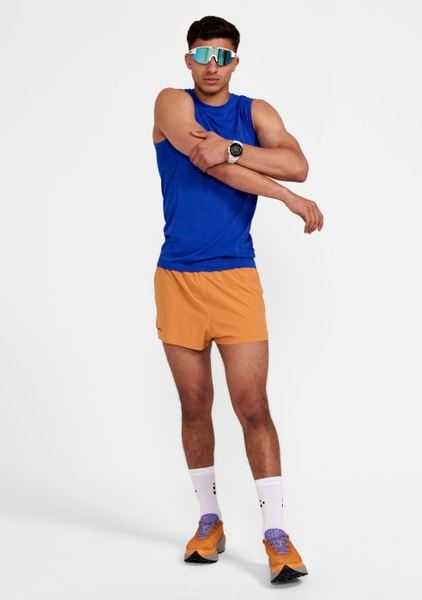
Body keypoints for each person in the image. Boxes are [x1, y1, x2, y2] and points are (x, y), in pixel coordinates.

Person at [152, 15, 323, 584]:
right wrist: (285, 197)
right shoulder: (171, 103)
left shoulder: (256, 112)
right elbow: (217, 168)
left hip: (236, 279)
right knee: (194, 404)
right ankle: (209, 521)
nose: (212, 66)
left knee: (253, 406)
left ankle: (276, 534)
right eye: (203, 55)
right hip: (178, 278)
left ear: (235, 62)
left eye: (222, 56)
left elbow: (298, 165)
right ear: (188, 60)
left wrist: (230, 147)